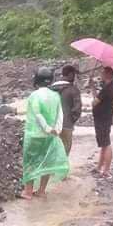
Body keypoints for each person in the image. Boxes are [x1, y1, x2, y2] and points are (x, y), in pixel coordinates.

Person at [20, 67, 69, 200]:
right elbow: (60, 115)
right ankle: (41, 191)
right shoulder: (55, 95)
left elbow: (37, 114)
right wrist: (56, 130)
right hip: (50, 136)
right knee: (46, 162)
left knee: (30, 162)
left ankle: (28, 192)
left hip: (35, 134)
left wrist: (47, 128)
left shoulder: (34, 96)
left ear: (36, 80)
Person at [90, 66, 113, 177]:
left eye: (102, 73)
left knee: (106, 144)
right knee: (103, 144)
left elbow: (94, 102)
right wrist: (93, 88)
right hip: (105, 118)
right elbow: (97, 98)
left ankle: (106, 170)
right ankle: (99, 167)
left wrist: (93, 89)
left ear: (107, 75)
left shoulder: (108, 89)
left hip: (103, 119)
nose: (101, 75)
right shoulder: (112, 88)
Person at [49, 65, 82, 159]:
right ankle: (61, 173)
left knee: (52, 152)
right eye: (74, 75)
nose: (75, 77)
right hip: (66, 126)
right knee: (64, 153)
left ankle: (51, 172)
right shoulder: (73, 90)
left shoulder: (50, 89)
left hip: (51, 126)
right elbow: (77, 109)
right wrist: (71, 121)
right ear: (71, 75)